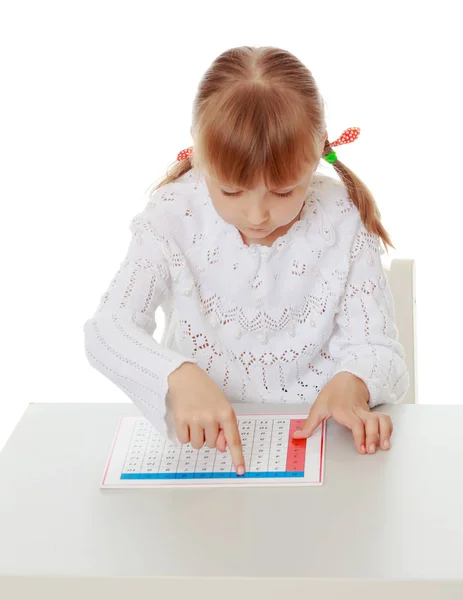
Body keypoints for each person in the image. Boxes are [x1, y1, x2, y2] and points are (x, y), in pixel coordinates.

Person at [83, 46, 409, 476]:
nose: (257, 215)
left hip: (325, 455)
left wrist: (355, 382)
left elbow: (378, 348)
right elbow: (107, 330)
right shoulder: (172, 216)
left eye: (284, 191)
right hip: (205, 458)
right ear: (200, 159)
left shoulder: (343, 216)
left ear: (315, 159)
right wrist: (175, 375)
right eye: (232, 192)